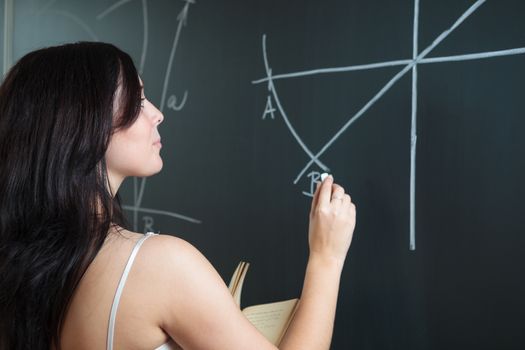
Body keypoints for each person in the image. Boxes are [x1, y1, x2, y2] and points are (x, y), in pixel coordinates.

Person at [0, 42, 356, 350]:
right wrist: (326, 257)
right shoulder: (159, 266)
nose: (157, 114)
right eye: (137, 102)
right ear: (84, 127)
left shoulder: (21, 271)